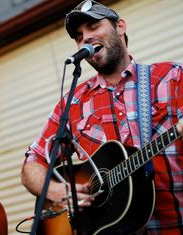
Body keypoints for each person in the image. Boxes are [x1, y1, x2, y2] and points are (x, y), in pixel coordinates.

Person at [21, 0, 183, 234]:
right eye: (78, 35)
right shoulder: (73, 102)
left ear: (120, 27)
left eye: (93, 26)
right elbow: (32, 162)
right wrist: (59, 192)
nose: (85, 37)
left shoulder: (171, 77)